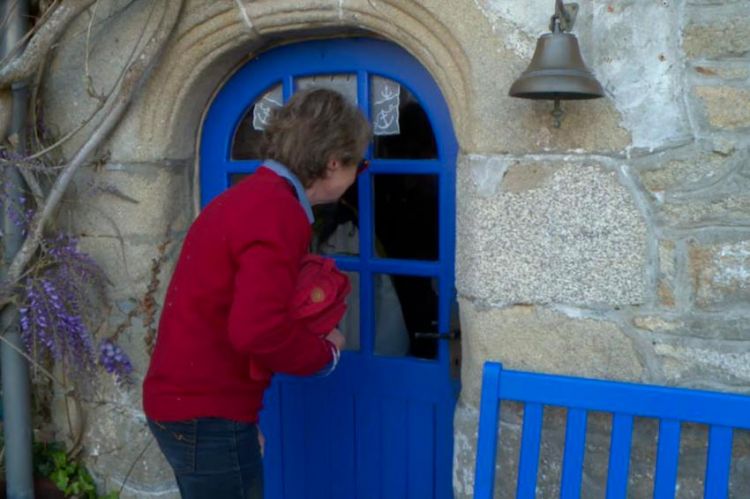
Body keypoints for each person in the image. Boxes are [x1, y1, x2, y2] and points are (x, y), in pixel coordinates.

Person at [142, 88, 372, 499]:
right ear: (334, 163)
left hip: (194, 406)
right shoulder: (277, 211)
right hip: (205, 412)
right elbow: (255, 330)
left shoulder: (253, 198)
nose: (358, 176)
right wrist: (324, 355)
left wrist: (242, 425)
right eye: (361, 164)